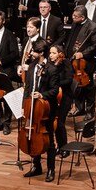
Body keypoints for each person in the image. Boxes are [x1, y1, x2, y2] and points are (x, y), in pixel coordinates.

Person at [21, 37, 59, 180]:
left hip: (46, 109)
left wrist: (42, 94)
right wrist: (24, 105)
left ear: (41, 53)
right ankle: (36, 166)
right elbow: (27, 87)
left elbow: (55, 90)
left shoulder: (52, 69)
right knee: (32, 137)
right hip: (32, 108)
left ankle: (51, 169)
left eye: (34, 51)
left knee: (49, 140)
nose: (31, 53)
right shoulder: (31, 67)